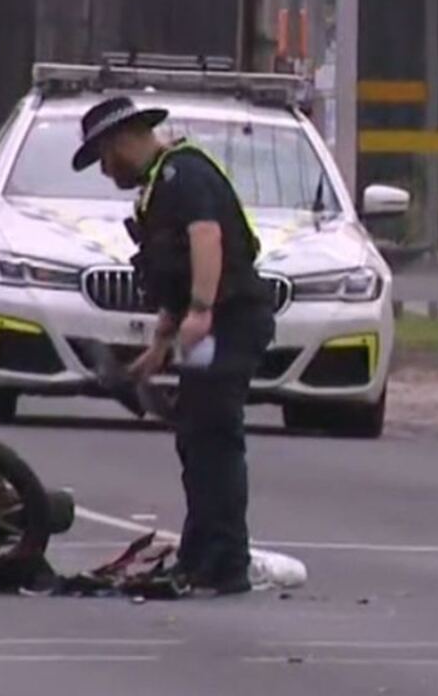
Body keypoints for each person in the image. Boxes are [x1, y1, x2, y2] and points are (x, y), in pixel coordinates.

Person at [73, 95, 275, 597]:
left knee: (214, 440)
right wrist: (161, 341)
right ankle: (198, 554)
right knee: (197, 438)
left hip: (231, 320)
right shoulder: (159, 187)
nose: (104, 169)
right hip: (210, 323)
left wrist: (203, 310)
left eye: (103, 156)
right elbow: (175, 266)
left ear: (122, 140)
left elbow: (207, 238)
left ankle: (224, 563)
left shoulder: (180, 175)